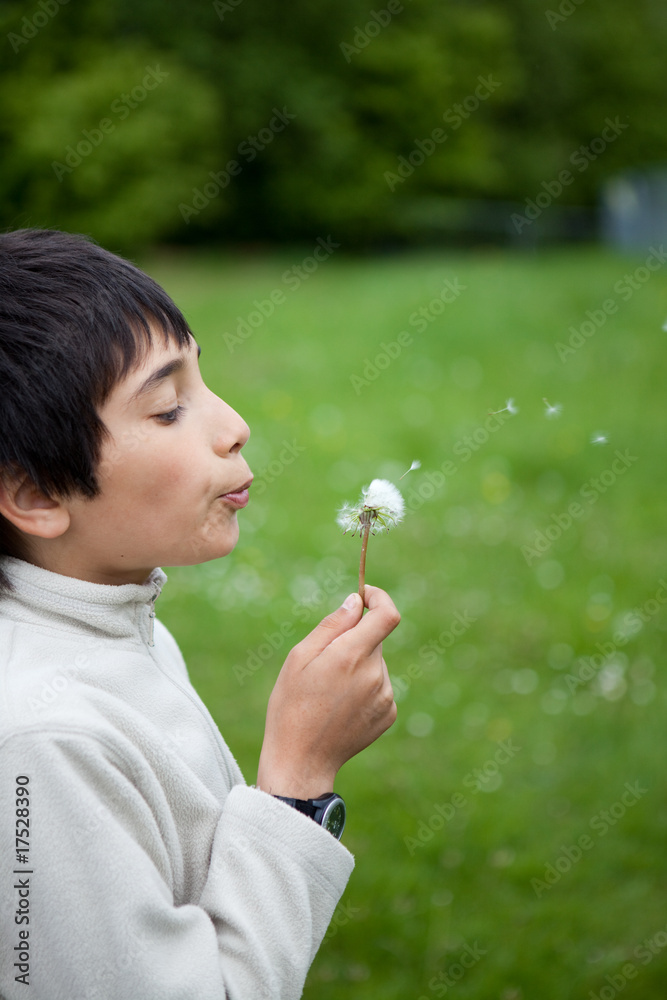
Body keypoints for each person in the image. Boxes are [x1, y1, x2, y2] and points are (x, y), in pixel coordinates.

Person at [0, 228, 400, 1000]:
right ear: (37, 496)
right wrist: (297, 784)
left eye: (202, 379)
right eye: (168, 409)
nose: (233, 424)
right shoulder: (41, 744)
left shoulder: (112, 621)